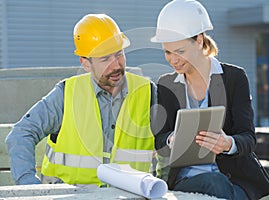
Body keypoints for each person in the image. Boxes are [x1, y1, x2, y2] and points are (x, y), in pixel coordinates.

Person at [5, 14, 156, 187]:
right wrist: (29, 186)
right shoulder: (66, 94)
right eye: (105, 59)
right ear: (85, 63)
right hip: (70, 195)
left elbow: (168, 144)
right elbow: (21, 134)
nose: (116, 65)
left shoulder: (148, 91)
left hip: (132, 194)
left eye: (119, 54)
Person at [150, 0, 269, 199]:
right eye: (167, 52)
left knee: (220, 185)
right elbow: (159, 138)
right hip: (187, 181)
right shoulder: (166, 85)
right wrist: (171, 139)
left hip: (234, 179)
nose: (173, 60)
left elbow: (248, 138)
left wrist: (228, 143)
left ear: (199, 40)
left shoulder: (234, 78)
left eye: (180, 51)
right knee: (214, 182)